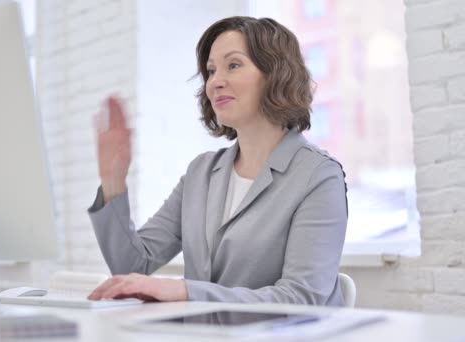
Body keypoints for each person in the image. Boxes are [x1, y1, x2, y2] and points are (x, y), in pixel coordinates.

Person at [86, 16, 348, 305]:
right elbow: (132, 267)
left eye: (233, 65)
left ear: (275, 74)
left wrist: (187, 292)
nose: (215, 83)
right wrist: (113, 182)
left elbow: (301, 298)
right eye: (211, 71)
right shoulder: (201, 173)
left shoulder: (319, 176)